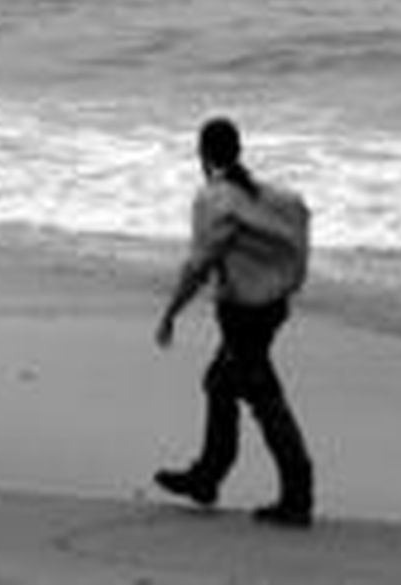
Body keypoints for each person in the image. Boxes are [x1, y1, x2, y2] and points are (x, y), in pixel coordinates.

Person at [153, 117, 315, 527]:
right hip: (272, 307)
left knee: (262, 395)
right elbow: (298, 231)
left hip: (243, 314)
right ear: (237, 150)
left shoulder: (215, 200)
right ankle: (208, 476)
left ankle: (297, 494)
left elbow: (199, 265)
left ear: (204, 154)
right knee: (221, 382)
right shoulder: (272, 197)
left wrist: (171, 312)